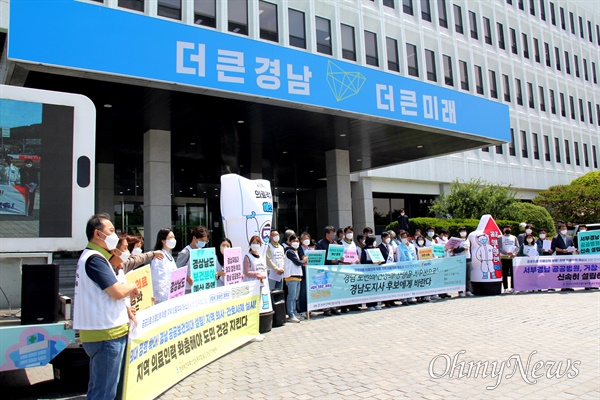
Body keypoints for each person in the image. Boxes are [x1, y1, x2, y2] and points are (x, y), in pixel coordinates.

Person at [73, 213, 139, 400]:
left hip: (102, 333)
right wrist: (132, 286)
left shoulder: (96, 258)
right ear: (97, 234)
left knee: (99, 388)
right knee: (104, 393)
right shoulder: (95, 259)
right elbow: (117, 291)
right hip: (106, 335)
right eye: (110, 230)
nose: (115, 236)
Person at [316, 226, 342, 316]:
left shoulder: (335, 243)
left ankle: (334, 307)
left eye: (334, 233)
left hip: (335, 268)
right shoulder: (320, 243)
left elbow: (338, 254)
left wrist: (340, 258)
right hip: (325, 269)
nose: (334, 234)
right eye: (332, 233)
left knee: (334, 288)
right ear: (327, 233)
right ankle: (326, 308)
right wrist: (330, 261)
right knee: (326, 289)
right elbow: (320, 258)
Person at [176, 227, 210, 294]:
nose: (203, 243)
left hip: (200, 287)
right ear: (194, 238)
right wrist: (187, 278)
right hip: (187, 289)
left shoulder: (201, 251)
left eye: (205, 241)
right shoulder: (185, 252)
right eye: (202, 240)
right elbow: (177, 270)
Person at [150, 228, 178, 304]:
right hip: (163, 300)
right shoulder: (159, 257)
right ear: (163, 241)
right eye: (171, 238)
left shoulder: (169, 255)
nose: (173, 240)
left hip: (171, 296)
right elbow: (158, 281)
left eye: (174, 237)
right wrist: (164, 299)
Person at [283, 234, 307, 322]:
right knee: (291, 297)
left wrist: (303, 261)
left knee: (295, 297)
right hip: (291, 277)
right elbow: (297, 262)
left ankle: (295, 312)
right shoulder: (289, 251)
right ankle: (291, 314)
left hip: (297, 277)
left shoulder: (295, 251)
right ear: (289, 242)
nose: (296, 243)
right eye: (294, 241)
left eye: (297, 241)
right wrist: (304, 261)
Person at [360, 235, 383, 310]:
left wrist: (379, 261)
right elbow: (362, 261)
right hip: (368, 271)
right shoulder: (364, 249)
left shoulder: (376, 249)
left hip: (375, 271)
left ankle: (376, 303)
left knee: (375, 287)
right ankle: (369, 304)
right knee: (369, 288)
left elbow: (380, 259)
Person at [397, 230, 417, 305]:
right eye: (402, 237)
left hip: (411, 267)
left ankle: (410, 298)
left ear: (408, 237)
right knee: (404, 283)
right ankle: (404, 299)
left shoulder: (412, 246)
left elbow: (415, 257)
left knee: (411, 283)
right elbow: (398, 258)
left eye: (405, 237)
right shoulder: (399, 247)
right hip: (403, 268)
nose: (404, 239)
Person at [454, 227, 474, 297]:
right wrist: (463, 248)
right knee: (461, 276)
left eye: (464, 231)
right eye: (462, 231)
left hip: (468, 258)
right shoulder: (457, 240)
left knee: (468, 276)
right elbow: (455, 250)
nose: (463, 233)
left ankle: (468, 290)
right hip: (460, 259)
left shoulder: (468, 240)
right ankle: (460, 291)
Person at [498, 224, 518, 294]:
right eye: (506, 228)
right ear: (503, 230)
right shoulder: (500, 237)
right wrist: (506, 253)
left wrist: (515, 253)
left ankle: (513, 287)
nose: (507, 229)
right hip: (504, 257)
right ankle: (505, 288)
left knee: (513, 273)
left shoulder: (514, 237)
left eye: (509, 228)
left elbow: (517, 246)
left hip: (513, 257)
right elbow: (500, 247)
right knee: (505, 273)